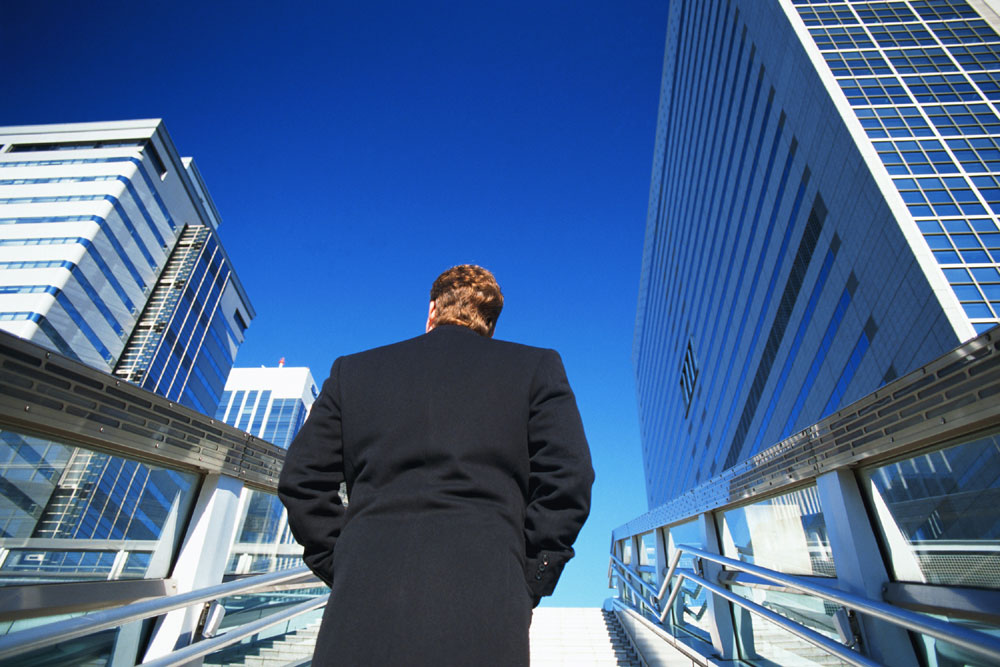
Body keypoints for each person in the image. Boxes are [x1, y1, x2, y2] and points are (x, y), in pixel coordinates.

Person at [278, 264, 594, 666]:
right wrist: (528, 578)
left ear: (432, 310)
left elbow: (302, 479)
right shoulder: (536, 368)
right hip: (487, 605)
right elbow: (569, 477)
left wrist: (343, 564)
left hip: (361, 607)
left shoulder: (352, 372)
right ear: (490, 322)